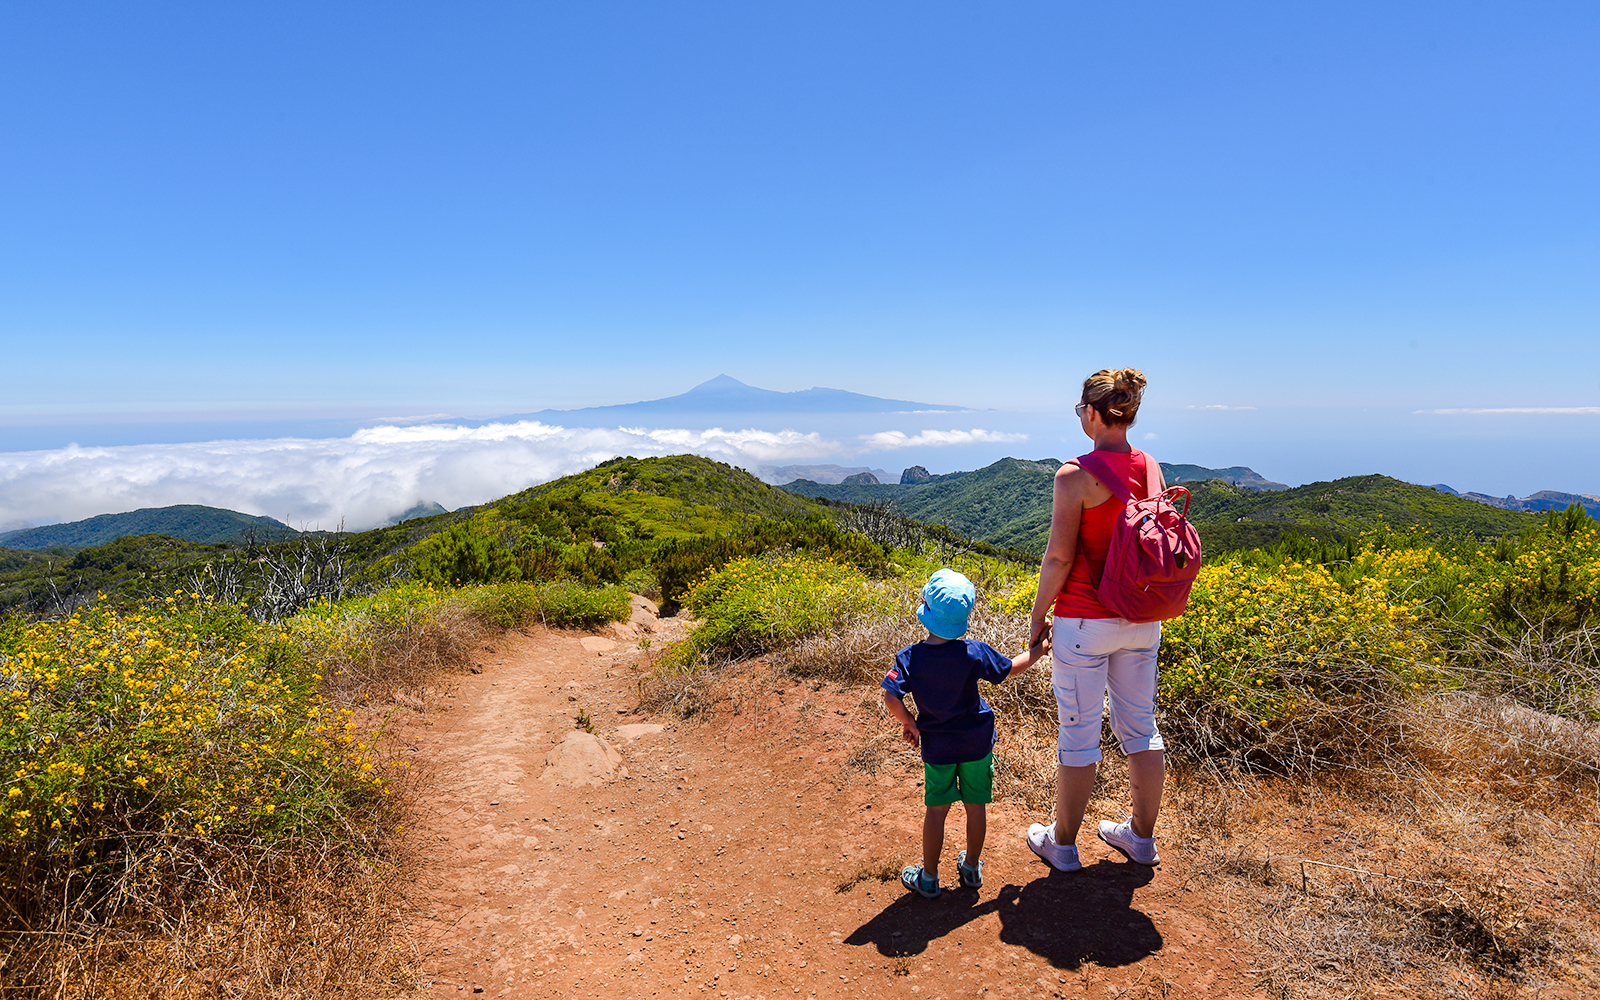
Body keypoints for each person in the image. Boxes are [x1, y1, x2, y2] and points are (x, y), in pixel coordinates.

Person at [1026, 367, 1167, 871]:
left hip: (1084, 621)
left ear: (1091, 412)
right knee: (1141, 729)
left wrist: (1039, 615)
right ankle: (1141, 839)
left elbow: (1059, 559)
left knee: (1080, 734)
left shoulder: (1075, 475)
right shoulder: (1151, 467)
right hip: (1141, 617)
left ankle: (1062, 845)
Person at [883, 568, 1050, 898]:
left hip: (938, 748)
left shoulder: (909, 658)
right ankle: (971, 869)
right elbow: (1010, 669)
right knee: (976, 807)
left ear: (925, 609)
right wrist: (1040, 650)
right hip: (976, 743)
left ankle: (929, 878)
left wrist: (910, 723)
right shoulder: (974, 652)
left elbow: (890, 696)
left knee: (937, 811)